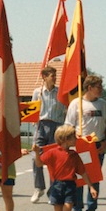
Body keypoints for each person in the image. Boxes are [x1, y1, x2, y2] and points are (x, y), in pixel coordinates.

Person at [32, 125, 98, 211]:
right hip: (56, 186)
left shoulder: (74, 155)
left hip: (70, 186)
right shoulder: (52, 152)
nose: (76, 140)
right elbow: (39, 164)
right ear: (65, 139)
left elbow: (83, 172)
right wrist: (37, 153)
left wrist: (91, 187)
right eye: (73, 137)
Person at [64, 75, 106, 211]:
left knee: (94, 178)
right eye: (98, 86)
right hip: (80, 145)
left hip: (97, 145)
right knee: (79, 178)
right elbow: (68, 125)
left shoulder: (103, 104)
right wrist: (73, 138)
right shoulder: (76, 104)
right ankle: (77, 210)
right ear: (90, 87)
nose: (101, 89)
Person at [30, 66, 67, 203]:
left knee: (54, 159)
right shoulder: (38, 92)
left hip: (56, 126)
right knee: (36, 156)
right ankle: (39, 187)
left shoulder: (60, 93)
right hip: (41, 126)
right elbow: (33, 110)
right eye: (52, 76)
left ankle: (54, 190)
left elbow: (65, 109)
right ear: (44, 77)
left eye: (55, 76)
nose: (55, 78)